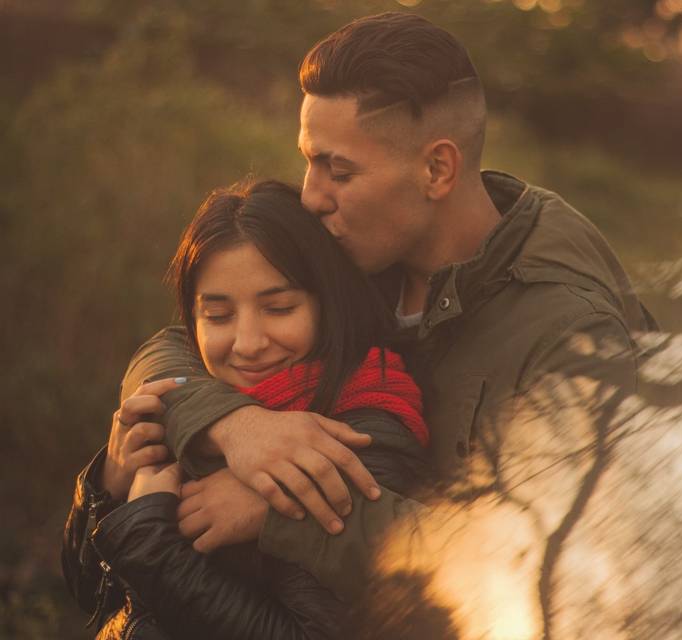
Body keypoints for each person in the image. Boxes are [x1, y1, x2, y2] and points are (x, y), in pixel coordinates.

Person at [120, 11, 657, 586]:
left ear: (437, 168)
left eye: (339, 171)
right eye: (308, 161)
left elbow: (538, 565)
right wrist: (235, 425)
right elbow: (178, 341)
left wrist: (282, 511)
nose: (310, 197)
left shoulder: (569, 334)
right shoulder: (364, 246)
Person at [62, 180, 429, 639]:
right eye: (217, 316)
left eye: (278, 308)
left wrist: (149, 538)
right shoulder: (189, 406)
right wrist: (108, 490)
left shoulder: (360, 429)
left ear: (327, 303)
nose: (248, 344)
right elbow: (87, 592)